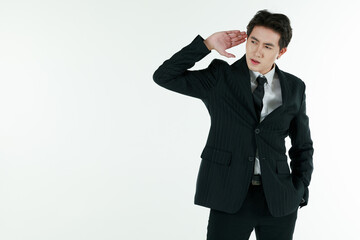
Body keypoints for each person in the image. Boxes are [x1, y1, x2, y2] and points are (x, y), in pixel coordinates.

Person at [153, 9, 314, 240]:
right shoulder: (220, 78)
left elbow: (303, 146)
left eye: (267, 46)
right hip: (229, 196)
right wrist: (207, 45)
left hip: (279, 199)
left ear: (281, 51)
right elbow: (164, 76)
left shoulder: (295, 87)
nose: (257, 51)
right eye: (253, 41)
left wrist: (300, 189)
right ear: (247, 40)